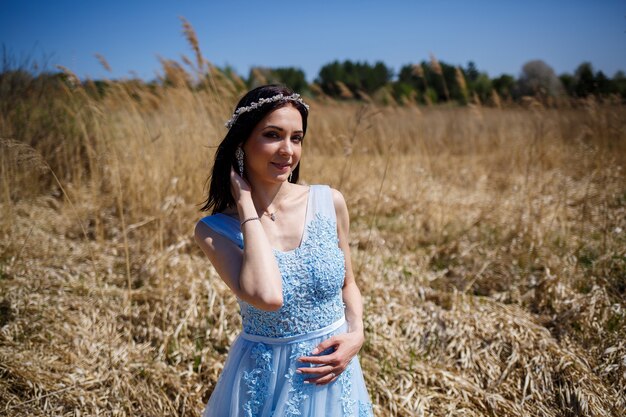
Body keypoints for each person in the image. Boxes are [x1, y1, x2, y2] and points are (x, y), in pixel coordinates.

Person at [195, 85, 373, 416]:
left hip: (334, 378)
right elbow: (268, 296)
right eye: (273, 135)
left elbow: (348, 283)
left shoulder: (328, 202)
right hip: (265, 381)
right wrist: (246, 203)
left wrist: (357, 334)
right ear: (241, 143)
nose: (287, 150)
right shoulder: (214, 231)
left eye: (297, 138)